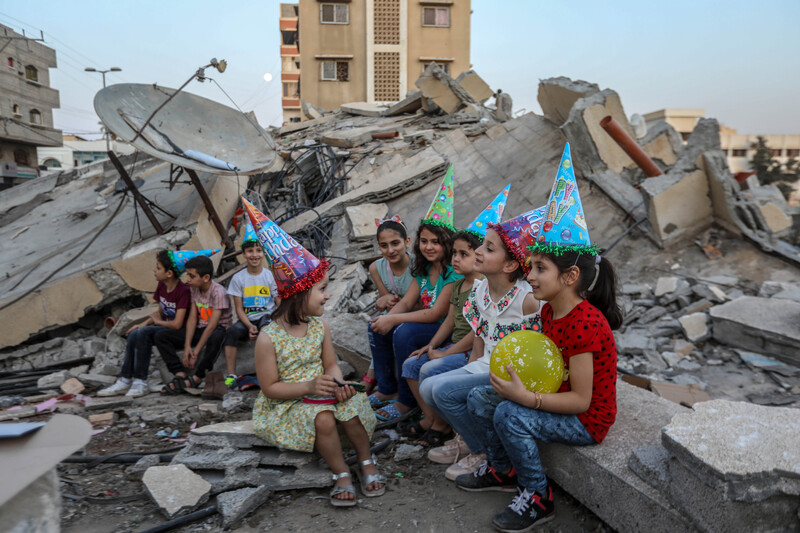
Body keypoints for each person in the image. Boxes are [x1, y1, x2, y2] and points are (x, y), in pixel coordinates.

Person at [456, 143, 622, 532]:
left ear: (570, 277)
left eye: (539, 268)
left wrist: (526, 398)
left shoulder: (585, 323)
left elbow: (582, 400)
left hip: (585, 419)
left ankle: (537, 495)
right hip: (555, 395)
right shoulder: (548, 309)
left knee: (509, 413)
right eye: (529, 266)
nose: (529, 276)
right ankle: (501, 471)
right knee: (481, 396)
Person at [244, 198, 382, 507]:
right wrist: (308, 387)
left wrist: (337, 383)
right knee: (321, 417)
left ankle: (366, 460)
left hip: (322, 390)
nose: (327, 294)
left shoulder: (319, 327)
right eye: (321, 289)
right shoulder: (268, 338)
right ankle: (340, 473)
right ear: (300, 295)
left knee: (349, 406)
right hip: (290, 400)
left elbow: (331, 365)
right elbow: (270, 387)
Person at [421, 206, 543, 480]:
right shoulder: (480, 291)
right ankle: (467, 438)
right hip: (483, 366)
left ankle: (482, 451)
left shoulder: (526, 300)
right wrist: (470, 366)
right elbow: (480, 338)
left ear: (510, 265)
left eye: (488, 249)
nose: (478, 252)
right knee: (428, 380)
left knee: (441, 390)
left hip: (509, 375)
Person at [403, 185, 510, 446]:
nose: (456, 260)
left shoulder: (482, 288)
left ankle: (444, 427)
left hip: (468, 353)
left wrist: (446, 353)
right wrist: (432, 345)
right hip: (462, 349)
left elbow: (478, 333)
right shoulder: (461, 284)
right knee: (412, 365)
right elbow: (451, 320)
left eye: (465, 254)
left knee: (430, 370)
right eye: (455, 254)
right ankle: (434, 420)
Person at [369, 165, 460, 421]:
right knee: (375, 325)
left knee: (403, 330)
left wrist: (394, 319)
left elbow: (436, 313)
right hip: (427, 324)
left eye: (436, 241)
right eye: (424, 241)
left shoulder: (453, 272)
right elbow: (408, 300)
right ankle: (387, 389)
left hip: (446, 328)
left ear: (448, 243)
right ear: (417, 242)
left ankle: (406, 402)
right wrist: (385, 318)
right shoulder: (423, 267)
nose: (429, 247)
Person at [98, 250, 190, 398]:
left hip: (183, 332)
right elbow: (159, 313)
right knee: (135, 333)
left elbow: (178, 324)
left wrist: (154, 323)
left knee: (146, 332)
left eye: (158, 268)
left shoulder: (183, 291)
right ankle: (125, 379)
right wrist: (143, 324)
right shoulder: (162, 286)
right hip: (167, 328)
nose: (154, 270)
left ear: (169, 274)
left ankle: (141, 381)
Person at [155, 254, 232, 394]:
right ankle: (179, 373)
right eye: (187, 275)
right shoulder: (194, 289)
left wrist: (195, 352)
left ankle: (197, 377)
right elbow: (192, 319)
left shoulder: (218, 292)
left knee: (216, 336)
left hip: (218, 328)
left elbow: (212, 325)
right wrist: (187, 347)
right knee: (161, 335)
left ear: (206, 278)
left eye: (191, 276)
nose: (187, 279)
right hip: (200, 328)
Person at [221, 223, 280, 389]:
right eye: (250, 251)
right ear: (244, 254)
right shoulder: (238, 279)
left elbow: (278, 302)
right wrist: (248, 326)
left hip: (267, 317)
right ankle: (231, 375)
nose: (254, 255)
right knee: (232, 332)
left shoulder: (269, 277)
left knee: (266, 330)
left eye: (258, 250)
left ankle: (269, 371)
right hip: (247, 319)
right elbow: (239, 308)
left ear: (263, 253)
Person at [361, 216, 414, 394]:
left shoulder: (418, 266)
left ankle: (373, 377)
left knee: (397, 331)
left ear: (407, 242)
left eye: (395, 243)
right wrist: (382, 301)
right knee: (376, 326)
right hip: (394, 315)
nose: (390, 250)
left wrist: (387, 306)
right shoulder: (376, 268)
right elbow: (387, 302)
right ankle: (385, 387)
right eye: (384, 245)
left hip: (415, 315)